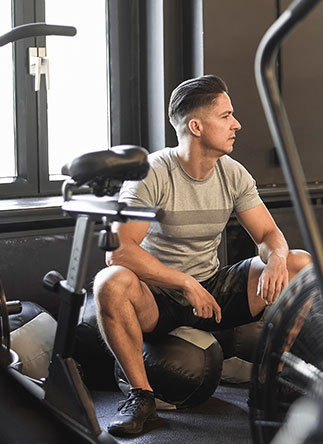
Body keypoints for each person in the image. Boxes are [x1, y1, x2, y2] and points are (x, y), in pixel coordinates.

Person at [93, 74, 311, 436]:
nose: (236, 124)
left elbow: (269, 234)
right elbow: (119, 251)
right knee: (109, 282)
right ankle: (140, 396)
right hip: (159, 294)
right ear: (196, 126)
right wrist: (182, 282)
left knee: (299, 263)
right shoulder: (152, 172)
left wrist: (276, 256)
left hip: (212, 286)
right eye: (225, 116)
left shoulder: (233, 174)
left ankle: (275, 381)